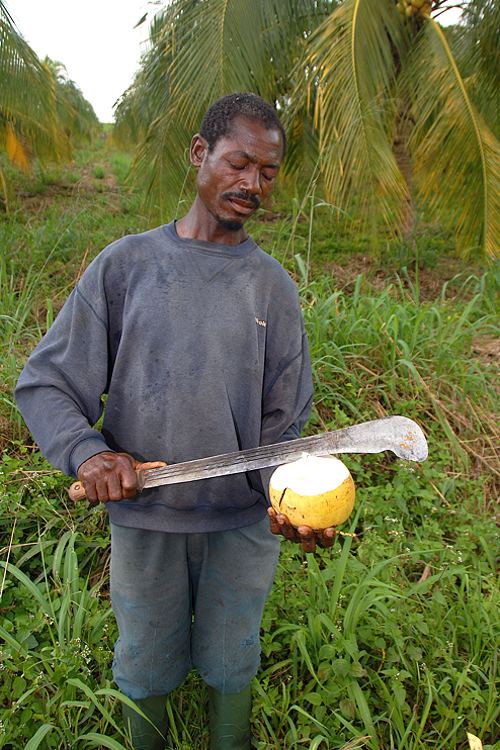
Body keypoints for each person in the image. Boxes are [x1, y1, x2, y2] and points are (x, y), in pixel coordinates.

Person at [15, 92, 335, 750]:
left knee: (232, 650)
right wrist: (88, 454)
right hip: (145, 520)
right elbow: (45, 382)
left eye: (267, 173)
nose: (251, 185)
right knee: (147, 657)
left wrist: (286, 497)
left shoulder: (271, 286)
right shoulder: (128, 266)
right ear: (200, 153)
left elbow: (284, 423)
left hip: (241, 526)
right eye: (239, 164)